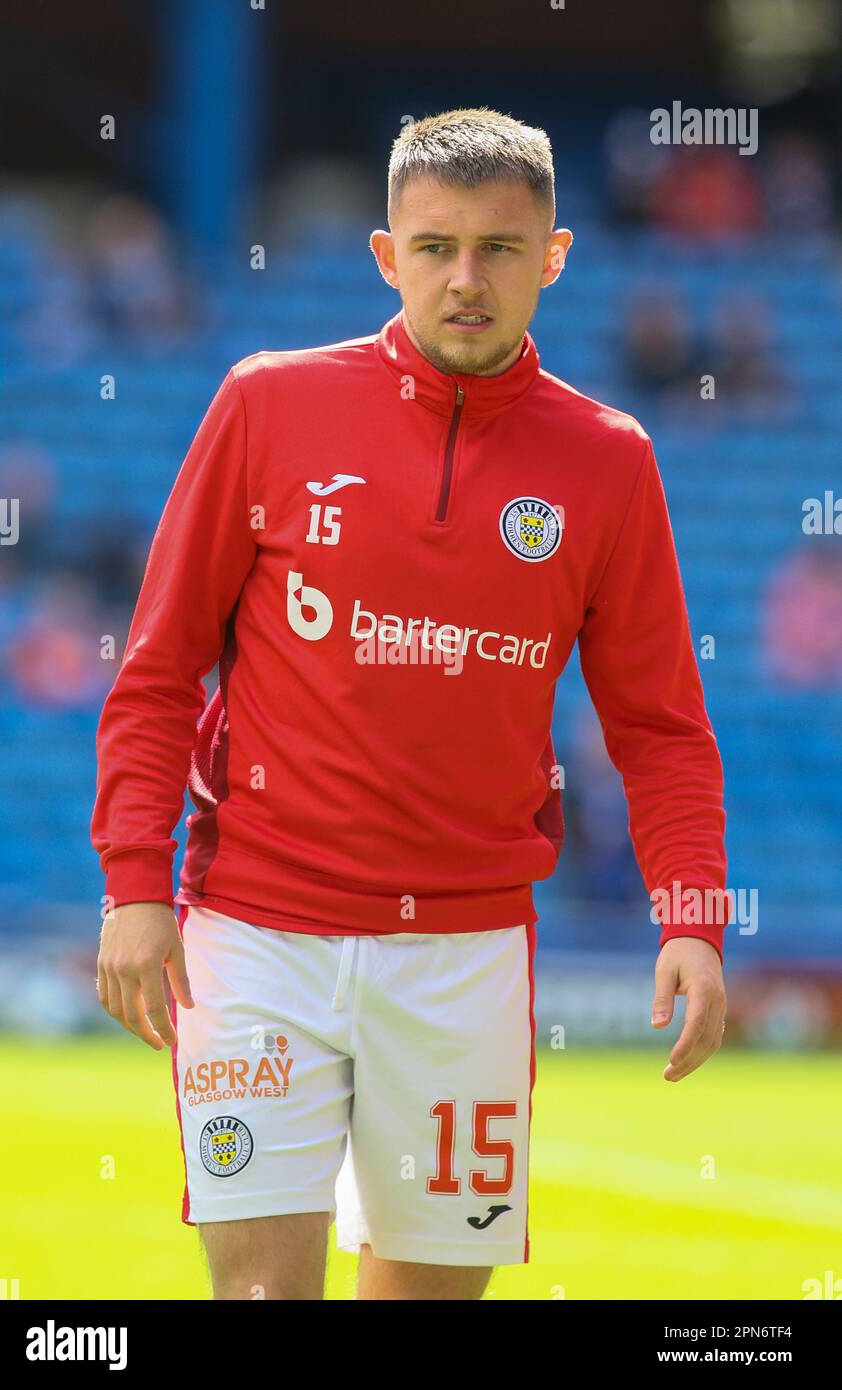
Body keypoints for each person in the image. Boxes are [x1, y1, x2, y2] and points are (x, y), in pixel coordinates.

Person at [91, 107, 729, 1302]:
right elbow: (160, 669)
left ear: (553, 256)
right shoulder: (267, 405)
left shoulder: (608, 459)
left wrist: (690, 911)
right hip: (256, 932)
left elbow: (658, 727)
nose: (466, 278)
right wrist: (134, 881)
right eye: (434, 247)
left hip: (462, 956)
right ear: (386, 256)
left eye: (499, 247)